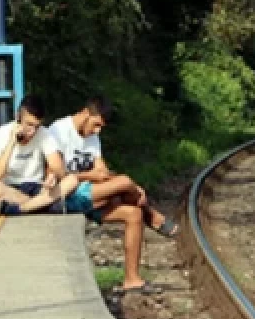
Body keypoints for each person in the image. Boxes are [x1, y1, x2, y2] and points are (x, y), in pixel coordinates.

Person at [49, 96, 179, 295]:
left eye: (101, 127)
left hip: (90, 194)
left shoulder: (92, 138)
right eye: (96, 125)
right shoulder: (58, 131)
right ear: (86, 113)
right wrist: (92, 176)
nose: (97, 131)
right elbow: (55, 173)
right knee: (125, 181)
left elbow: (102, 169)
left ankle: (132, 280)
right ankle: (151, 215)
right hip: (66, 195)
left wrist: (115, 181)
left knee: (133, 214)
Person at [0, 95, 78, 216]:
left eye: (36, 126)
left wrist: (52, 175)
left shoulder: (44, 133)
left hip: (38, 188)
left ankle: (22, 208)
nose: (32, 131)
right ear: (18, 117)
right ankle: (42, 206)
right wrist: (11, 143)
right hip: (11, 189)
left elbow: (59, 170)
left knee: (72, 180)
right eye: (29, 124)